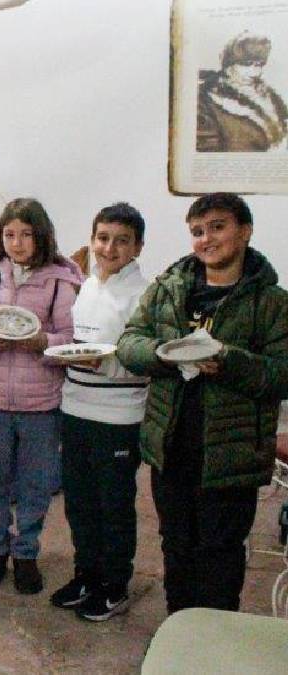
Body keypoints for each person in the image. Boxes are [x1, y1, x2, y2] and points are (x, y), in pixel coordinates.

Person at [117, 193, 288, 614]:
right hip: (171, 445)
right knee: (176, 545)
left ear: (244, 232)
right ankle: (180, 630)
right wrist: (160, 354)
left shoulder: (271, 302)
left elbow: (281, 375)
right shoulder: (168, 290)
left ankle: (214, 642)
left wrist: (228, 361)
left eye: (217, 227)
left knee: (220, 552)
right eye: (197, 231)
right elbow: (128, 344)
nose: (206, 239)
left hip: (231, 452)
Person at [0, 198, 82, 595]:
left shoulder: (61, 283)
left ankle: (27, 552)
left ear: (42, 236)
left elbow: (70, 341)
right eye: (9, 234)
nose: (17, 243)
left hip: (42, 405)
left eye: (26, 234)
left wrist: (41, 342)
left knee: (35, 483)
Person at [48, 203, 150, 621]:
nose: (109, 248)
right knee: (80, 503)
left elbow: (146, 360)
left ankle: (114, 586)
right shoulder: (87, 286)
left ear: (137, 247)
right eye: (103, 238)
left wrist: (104, 364)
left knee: (114, 506)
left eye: (121, 240)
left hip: (119, 416)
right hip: (75, 408)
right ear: (92, 240)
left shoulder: (144, 295)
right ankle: (86, 575)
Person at [197, 32, 288, 152]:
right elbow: (207, 149)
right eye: (247, 64)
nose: (255, 72)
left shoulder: (268, 94)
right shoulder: (208, 100)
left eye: (259, 65)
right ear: (229, 64)